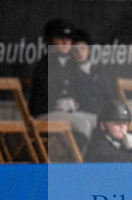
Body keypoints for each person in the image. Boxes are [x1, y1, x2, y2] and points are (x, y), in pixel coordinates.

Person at [28, 18, 95, 146]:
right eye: (60, 38)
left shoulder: (74, 65)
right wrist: (57, 104)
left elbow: (83, 91)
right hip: (47, 113)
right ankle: (75, 162)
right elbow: (42, 97)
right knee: (82, 124)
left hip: (72, 112)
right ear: (49, 40)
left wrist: (77, 103)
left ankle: (96, 162)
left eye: (69, 39)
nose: (65, 42)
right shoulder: (44, 66)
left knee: (101, 122)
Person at [83, 100, 132, 174]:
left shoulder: (126, 143)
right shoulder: (97, 144)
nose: (122, 127)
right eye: (117, 123)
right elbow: (109, 156)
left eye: (125, 123)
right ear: (103, 125)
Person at [69, 28, 109, 116]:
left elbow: (108, 94)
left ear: (89, 50)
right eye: (76, 50)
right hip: (84, 113)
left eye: (83, 49)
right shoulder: (71, 73)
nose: (79, 53)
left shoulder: (98, 71)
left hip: (102, 112)